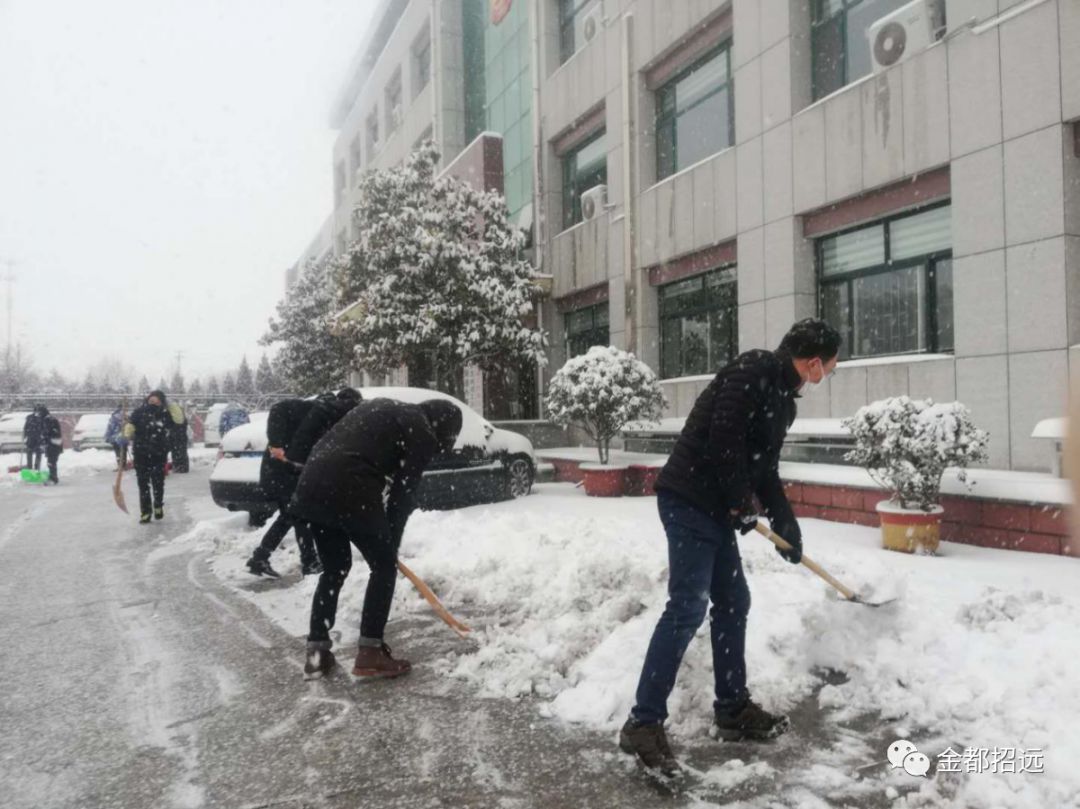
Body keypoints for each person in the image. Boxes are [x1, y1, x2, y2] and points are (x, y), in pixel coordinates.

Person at [619, 318, 842, 777]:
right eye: (831, 366)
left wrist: (785, 521)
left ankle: (732, 707)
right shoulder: (754, 370)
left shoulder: (783, 401)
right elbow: (724, 437)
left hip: (715, 508)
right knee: (687, 606)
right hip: (688, 498)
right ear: (814, 363)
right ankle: (643, 723)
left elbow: (764, 467)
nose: (830, 373)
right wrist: (740, 501)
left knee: (734, 601)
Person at [290, 397, 462, 681]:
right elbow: (403, 496)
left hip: (311, 485)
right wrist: (390, 545)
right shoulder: (422, 430)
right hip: (349, 485)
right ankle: (370, 653)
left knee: (334, 569)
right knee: (383, 568)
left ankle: (316, 653)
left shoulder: (384, 408)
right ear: (443, 429)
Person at [245, 389, 363, 578]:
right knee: (299, 515)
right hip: (281, 471)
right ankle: (308, 562)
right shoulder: (316, 409)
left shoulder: (326, 417)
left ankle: (260, 558)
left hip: (287, 473)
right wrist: (276, 444)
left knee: (290, 516)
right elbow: (278, 408)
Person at [123, 390, 173, 524]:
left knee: (158, 482)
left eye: (157, 400)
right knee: (143, 484)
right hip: (141, 453)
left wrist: (171, 405)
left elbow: (176, 423)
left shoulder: (165, 413)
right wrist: (126, 433)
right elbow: (131, 426)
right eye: (151, 399)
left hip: (159, 453)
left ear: (161, 402)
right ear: (147, 399)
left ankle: (158, 505)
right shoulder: (138, 412)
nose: (153, 401)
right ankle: (145, 512)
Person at [167, 400, 190, 473]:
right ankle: (180, 466)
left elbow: (178, 422)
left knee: (177, 450)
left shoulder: (172, 409)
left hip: (177, 433)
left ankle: (179, 466)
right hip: (180, 433)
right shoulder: (177, 409)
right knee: (180, 450)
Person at [41, 408, 63, 485]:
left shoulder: (48, 420)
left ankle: (53, 478)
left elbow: (48, 433)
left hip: (53, 444)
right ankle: (53, 477)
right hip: (55, 444)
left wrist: (44, 439)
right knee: (52, 462)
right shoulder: (51, 419)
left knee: (51, 462)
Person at [104, 403, 128, 469]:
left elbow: (110, 427)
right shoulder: (126, 416)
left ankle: (120, 465)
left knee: (118, 452)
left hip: (115, 437)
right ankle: (124, 465)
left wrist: (107, 436)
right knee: (124, 451)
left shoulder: (114, 417)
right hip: (124, 436)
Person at [22, 406, 46, 471]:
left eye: (38, 411)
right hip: (31, 438)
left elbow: (44, 428)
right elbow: (25, 427)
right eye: (36, 411)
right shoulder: (30, 418)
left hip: (38, 439)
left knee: (38, 453)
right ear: (34, 411)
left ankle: (37, 467)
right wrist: (25, 436)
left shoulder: (42, 418)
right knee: (29, 453)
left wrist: (43, 437)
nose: (37, 412)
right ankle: (29, 467)